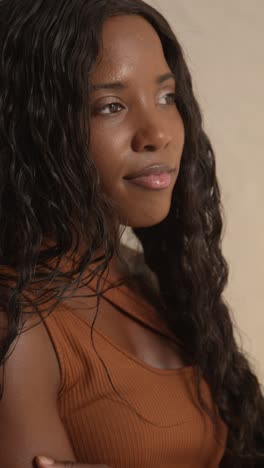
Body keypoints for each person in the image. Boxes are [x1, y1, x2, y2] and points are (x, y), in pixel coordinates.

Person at [0, 0, 263, 467]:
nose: (157, 133)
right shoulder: (16, 325)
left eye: (166, 97)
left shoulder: (143, 273)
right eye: (111, 106)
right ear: (29, 127)